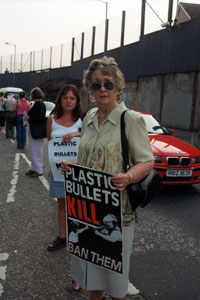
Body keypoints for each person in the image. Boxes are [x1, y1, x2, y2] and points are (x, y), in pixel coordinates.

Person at [61, 56, 154, 300]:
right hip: (87, 210)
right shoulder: (89, 118)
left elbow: (147, 161)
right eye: (96, 84)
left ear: (118, 86)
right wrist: (73, 168)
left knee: (115, 280)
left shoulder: (130, 120)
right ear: (90, 89)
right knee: (92, 271)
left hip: (117, 214)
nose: (102, 89)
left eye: (108, 83)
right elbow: (87, 159)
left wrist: (129, 176)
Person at [47, 84, 83, 251]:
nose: (68, 101)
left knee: (79, 204)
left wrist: (77, 133)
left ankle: (80, 237)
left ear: (76, 101)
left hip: (78, 169)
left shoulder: (83, 119)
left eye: (72, 98)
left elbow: (91, 138)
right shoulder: (52, 118)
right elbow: (49, 143)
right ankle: (62, 236)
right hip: (59, 170)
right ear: (60, 99)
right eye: (65, 98)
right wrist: (51, 167)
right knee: (62, 204)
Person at [25, 87, 46, 177]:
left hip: (36, 130)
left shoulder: (39, 105)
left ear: (34, 96)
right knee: (34, 150)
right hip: (35, 130)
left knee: (36, 151)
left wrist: (29, 118)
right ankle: (34, 168)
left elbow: (39, 118)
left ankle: (38, 170)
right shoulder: (38, 104)